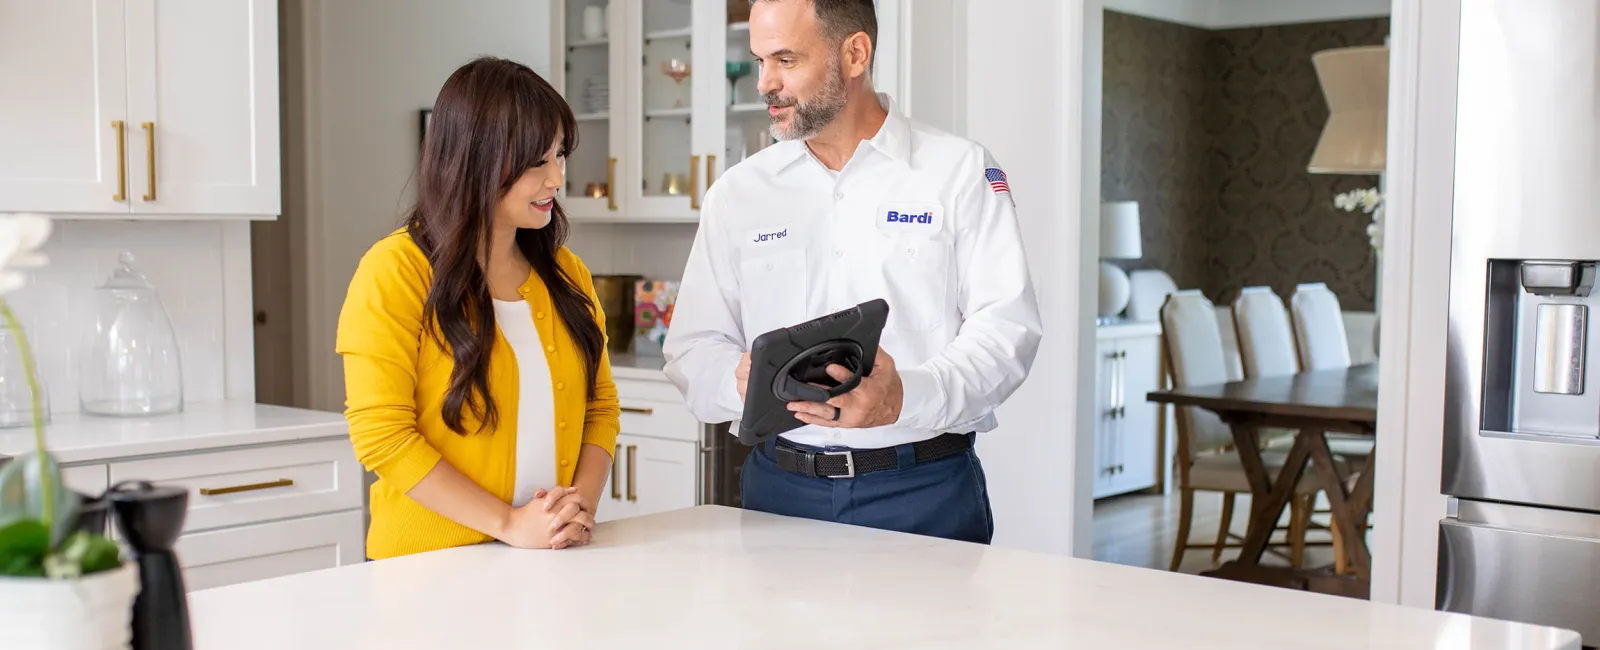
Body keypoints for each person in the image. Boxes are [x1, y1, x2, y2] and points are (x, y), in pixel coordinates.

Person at [662, 0, 1042, 544]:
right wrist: (737, 382)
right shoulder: (737, 195)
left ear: (855, 53)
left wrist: (905, 395)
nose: (764, 82)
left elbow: (1008, 332)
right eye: (759, 60)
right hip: (778, 494)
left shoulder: (958, 172)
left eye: (786, 60)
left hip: (924, 491)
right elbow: (692, 348)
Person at [336, 56, 620, 560]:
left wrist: (574, 512)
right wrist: (509, 524)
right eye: (537, 161)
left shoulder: (566, 272)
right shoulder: (395, 270)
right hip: (428, 569)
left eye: (559, 155)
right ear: (475, 158)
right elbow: (382, 435)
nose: (556, 178)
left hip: (548, 559)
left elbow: (600, 408)